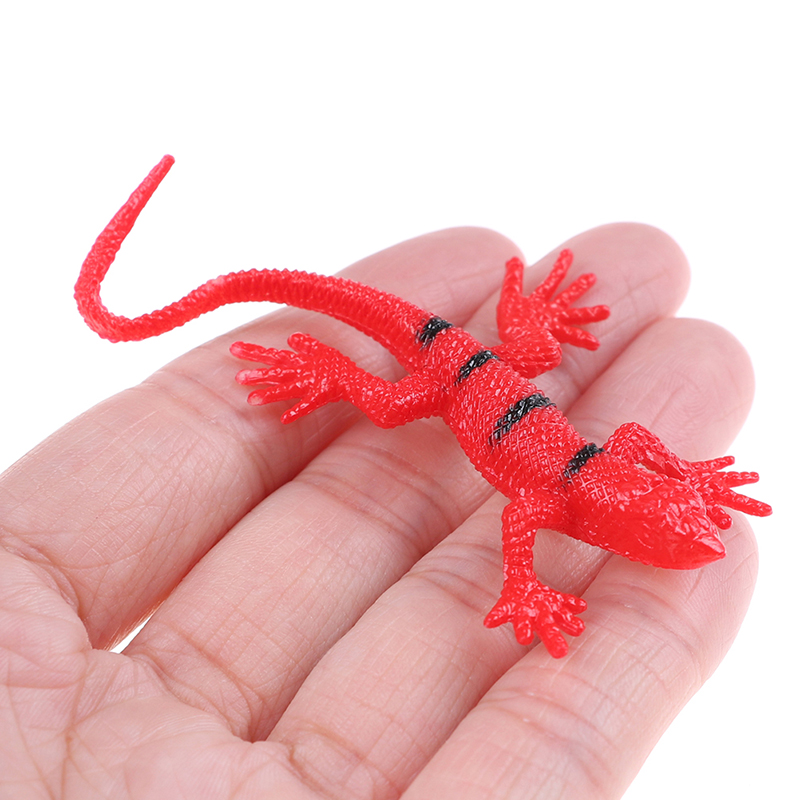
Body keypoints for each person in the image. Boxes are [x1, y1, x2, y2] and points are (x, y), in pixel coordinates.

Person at [0, 223, 760, 799]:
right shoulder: (559, 496)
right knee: (394, 408)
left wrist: (681, 477)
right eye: (668, 532)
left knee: (519, 363)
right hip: (453, 376)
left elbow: (622, 444)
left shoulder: (586, 479)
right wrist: (524, 585)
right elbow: (522, 516)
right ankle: (332, 369)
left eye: (672, 529)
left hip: (486, 370)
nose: (690, 543)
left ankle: (509, 318)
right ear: (623, 523)